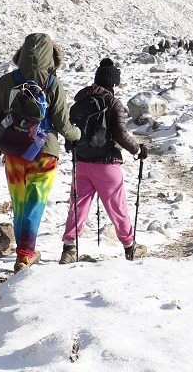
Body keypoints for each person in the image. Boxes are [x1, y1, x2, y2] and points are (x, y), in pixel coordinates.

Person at [0, 32, 81, 272]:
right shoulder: (52, 83)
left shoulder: (7, 81)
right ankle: (25, 255)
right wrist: (76, 135)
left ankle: (24, 253)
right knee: (34, 203)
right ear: (51, 56)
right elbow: (61, 122)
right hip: (44, 151)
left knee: (19, 203)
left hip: (13, 150)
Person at [60, 58, 148, 263]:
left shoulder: (80, 101)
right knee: (117, 207)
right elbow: (120, 135)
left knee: (78, 206)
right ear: (113, 83)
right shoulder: (113, 103)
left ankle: (69, 249)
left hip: (80, 162)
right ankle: (129, 246)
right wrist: (138, 150)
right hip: (107, 164)